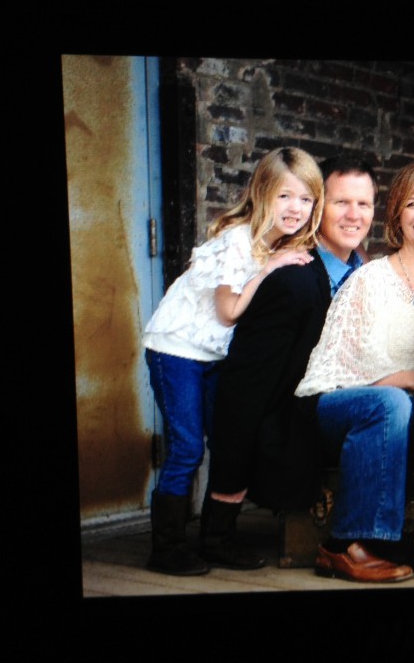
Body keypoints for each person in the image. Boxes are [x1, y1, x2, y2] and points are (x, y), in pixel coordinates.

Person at [296, 160, 414, 584]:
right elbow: (334, 375)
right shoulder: (369, 280)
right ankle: (352, 543)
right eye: (412, 204)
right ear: (397, 214)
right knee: (389, 402)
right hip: (347, 411)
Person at [142, 147, 323, 576]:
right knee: (187, 446)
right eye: (284, 196)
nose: (295, 208)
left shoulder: (274, 243)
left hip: (212, 355)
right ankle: (166, 547)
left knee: (228, 440)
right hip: (177, 349)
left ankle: (215, 540)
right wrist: (269, 269)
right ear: (261, 194)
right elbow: (228, 312)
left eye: (305, 198)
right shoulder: (240, 240)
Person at [200, 153, 379, 571]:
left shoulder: (367, 273)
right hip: (295, 421)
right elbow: (248, 382)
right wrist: (226, 494)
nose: (354, 215)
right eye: (341, 203)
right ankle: (344, 544)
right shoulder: (293, 277)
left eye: (364, 204)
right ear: (319, 207)